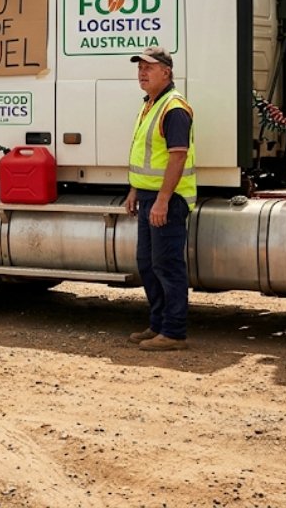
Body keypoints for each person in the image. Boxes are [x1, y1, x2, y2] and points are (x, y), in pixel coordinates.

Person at [125, 46, 196, 352]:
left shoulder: (174, 108)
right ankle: (157, 325)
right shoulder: (150, 105)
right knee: (148, 263)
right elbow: (145, 156)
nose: (142, 72)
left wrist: (163, 200)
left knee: (167, 266)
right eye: (140, 67)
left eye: (149, 67)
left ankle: (174, 332)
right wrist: (134, 191)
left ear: (166, 72)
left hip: (168, 199)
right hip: (148, 197)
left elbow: (177, 158)